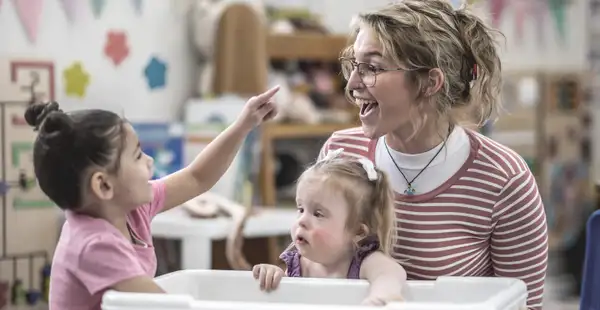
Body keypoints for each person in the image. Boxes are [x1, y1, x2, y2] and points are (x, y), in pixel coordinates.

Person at [319, 1, 548, 309]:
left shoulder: (503, 179)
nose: (352, 84)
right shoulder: (341, 155)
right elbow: (308, 271)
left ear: (430, 82)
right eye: (354, 64)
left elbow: (525, 304)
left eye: (372, 67)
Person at [27, 86, 280, 310]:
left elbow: (197, 177)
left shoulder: (130, 209)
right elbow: (164, 306)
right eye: (137, 155)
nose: (149, 161)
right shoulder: (93, 245)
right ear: (103, 185)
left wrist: (244, 124)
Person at [252, 148, 407, 305]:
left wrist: (383, 296)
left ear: (357, 231)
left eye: (318, 214)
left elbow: (391, 274)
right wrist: (275, 276)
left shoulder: (364, 262)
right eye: (300, 209)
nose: (301, 220)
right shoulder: (299, 264)